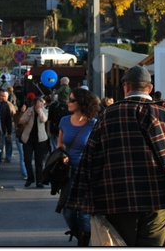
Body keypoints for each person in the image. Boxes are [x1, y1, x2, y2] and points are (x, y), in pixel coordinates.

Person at [64, 65, 165, 246]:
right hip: (158, 200)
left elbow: (91, 159)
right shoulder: (162, 114)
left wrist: (83, 199)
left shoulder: (108, 115)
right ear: (150, 88)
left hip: (117, 200)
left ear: (125, 87)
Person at [57, 87, 100, 246]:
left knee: (83, 213)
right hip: (68, 173)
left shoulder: (93, 124)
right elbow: (60, 145)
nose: (68, 102)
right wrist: (61, 156)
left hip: (85, 174)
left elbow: (98, 149)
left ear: (82, 102)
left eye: (72, 100)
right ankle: (79, 234)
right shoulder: (64, 121)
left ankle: (83, 241)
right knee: (68, 213)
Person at [18, 93, 49, 188]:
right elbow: (21, 121)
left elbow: (44, 119)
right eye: (39, 104)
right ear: (34, 104)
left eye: (42, 104)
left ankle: (39, 181)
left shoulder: (44, 111)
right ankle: (30, 178)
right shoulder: (29, 110)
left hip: (40, 139)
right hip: (28, 139)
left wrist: (40, 111)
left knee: (39, 161)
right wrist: (28, 115)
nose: (40, 105)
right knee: (27, 159)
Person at [0, 88, 14, 164]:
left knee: (0, 147)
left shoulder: (5, 105)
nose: (2, 97)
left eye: (3, 96)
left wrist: (9, 132)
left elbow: (8, 119)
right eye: (1, 95)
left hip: (2, 129)